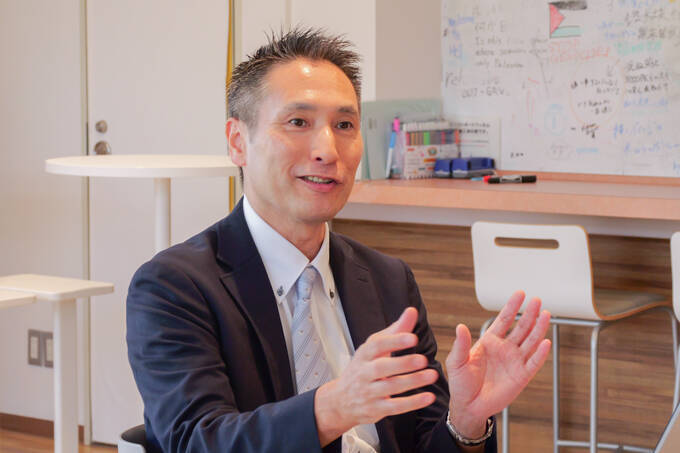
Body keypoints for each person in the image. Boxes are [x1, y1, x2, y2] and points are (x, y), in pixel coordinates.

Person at [126, 28, 551, 453]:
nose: (328, 151)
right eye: (298, 122)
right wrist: (333, 407)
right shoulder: (175, 286)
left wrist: (466, 421)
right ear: (238, 142)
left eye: (344, 125)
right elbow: (195, 440)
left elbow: (423, 441)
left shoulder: (388, 280)